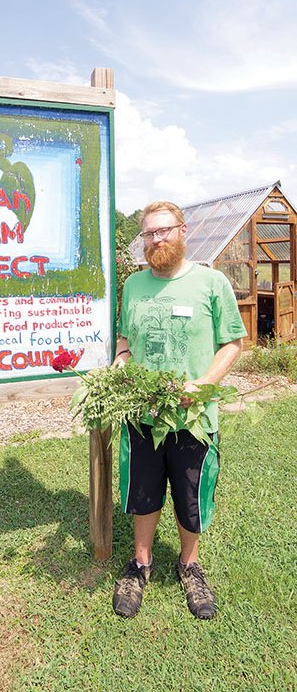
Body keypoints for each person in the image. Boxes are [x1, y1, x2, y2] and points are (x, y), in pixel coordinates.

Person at [112, 200, 247, 620]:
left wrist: (204, 383)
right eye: (149, 233)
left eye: (163, 230)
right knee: (144, 493)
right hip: (142, 415)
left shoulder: (211, 282)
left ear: (182, 231)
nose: (156, 239)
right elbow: (124, 340)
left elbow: (233, 343)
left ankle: (189, 565)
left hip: (194, 418)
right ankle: (141, 564)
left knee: (191, 497)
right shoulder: (133, 286)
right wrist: (122, 359)